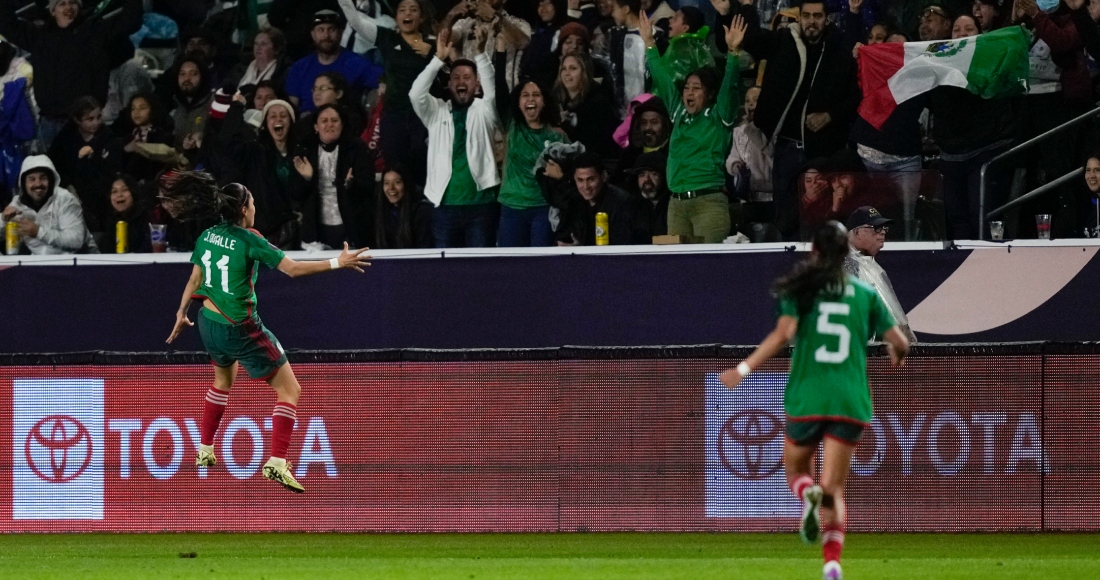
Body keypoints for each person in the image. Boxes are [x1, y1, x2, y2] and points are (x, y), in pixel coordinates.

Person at [720, 220, 910, 580]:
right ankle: (832, 565)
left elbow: (782, 336)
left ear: (814, 252)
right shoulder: (866, 294)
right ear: (844, 254)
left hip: (808, 397)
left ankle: (807, 492)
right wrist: (896, 353)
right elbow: (899, 341)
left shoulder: (801, 292)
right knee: (835, 488)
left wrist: (741, 371)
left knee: (795, 470)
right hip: (849, 401)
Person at [164, 171, 371, 494]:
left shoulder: (207, 235)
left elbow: (195, 279)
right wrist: (337, 262)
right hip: (239, 327)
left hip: (207, 321)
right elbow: (292, 269)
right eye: (253, 202)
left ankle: (205, 448)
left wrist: (181, 313)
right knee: (291, 391)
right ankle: (277, 462)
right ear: (244, 209)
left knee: (222, 381)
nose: (255, 207)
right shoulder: (250, 239)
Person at [739, 0, 860, 241]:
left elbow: (855, 96)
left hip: (823, 151)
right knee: (787, 217)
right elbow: (750, 40)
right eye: (806, 15)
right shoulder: (784, 40)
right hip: (786, 148)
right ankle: (792, 270)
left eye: (817, 16)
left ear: (827, 19)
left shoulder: (839, 50)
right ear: (799, 17)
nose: (811, 21)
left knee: (824, 218)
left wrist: (830, 115)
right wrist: (745, 6)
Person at [643, 12, 743, 243]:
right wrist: (649, 44)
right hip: (676, 205)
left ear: (708, 94)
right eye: (687, 87)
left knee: (708, 272)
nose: (688, 92)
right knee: (678, 272)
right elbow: (663, 80)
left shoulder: (719, 116)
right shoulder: (678, 114)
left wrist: (733, 54)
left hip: (709, 203)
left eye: (696, 88)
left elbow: (730, 86)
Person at [0, 0, 143, 150]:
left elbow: (131, 21)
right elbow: (7, 24)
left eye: (73, 3)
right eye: (62, 4)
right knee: (51, 172)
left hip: (84, 125)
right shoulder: (39, 36)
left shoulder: (95, 31)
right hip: (50, 123)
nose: (68, 7)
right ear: (52, 10)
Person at [411, 28, 501, 248]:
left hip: (481, 205)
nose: (462, 81)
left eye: (468, 77)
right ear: (449, 85)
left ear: (476, 85)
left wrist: (480, 54)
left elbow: (493, 92)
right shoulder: (436, 112)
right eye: (456, 77)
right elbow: (415, 94)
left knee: (480, 271)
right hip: (443, 206)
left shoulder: (486, 111)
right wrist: (438, 59)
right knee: (446, 272)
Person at [338, 0, 437, 177]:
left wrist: (431, 53)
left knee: (423, 170)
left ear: (421, 18)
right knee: (395, 169)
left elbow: (446, 72)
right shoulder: (387, 37)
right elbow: (356, 22)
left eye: (413, 10)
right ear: (396, 17)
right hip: (393, 117)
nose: (407, 14)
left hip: (423, 118)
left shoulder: (432, 44)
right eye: (402, 10)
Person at [289, 104, 376, 248]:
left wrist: (352, 184)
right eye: (324, 121)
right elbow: (294, 193)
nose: (329, 125)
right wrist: (308, 178)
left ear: (342, 125)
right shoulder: (304, 149)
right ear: (316, 127)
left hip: (351, 227)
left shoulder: (356, 148)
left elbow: (369, 186)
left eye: (334, 120)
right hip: (316, 231)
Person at [496, 75, 568, 247]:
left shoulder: (557, 136)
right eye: (525, 95)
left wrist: (560, 176)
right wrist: (500, 48)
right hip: (511, 209)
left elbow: (572, 175)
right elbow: (499, 88)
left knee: (541, 267)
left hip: (543, 209)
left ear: (544, 102)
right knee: (512, 266)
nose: (530, 99)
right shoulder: (512, 126)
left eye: (536, 95)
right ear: (518, 103)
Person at [283, 9, 383, 113]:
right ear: (313, 34)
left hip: (344, 122)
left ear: (340, 33)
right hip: (306, 123)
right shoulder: (299, 68)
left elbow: (386, 82)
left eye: (331, 30)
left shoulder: (356, 63)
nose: (326, 36)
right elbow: (292, 108)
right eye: (321, 30)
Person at [843, 206, 918, 342]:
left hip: (881, 354)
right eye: (876, 228)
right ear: (857, 232)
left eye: (884, 228)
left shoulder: (873, 268)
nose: (883, 232)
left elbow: (896, 317)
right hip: (860, 353)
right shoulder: (844, 265)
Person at [542, 151, 650, 244]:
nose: (586, 187)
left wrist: (581, 250)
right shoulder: (575, 201)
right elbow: (563, 237)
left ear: (603, 176)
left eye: (591, 179)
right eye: (580, 180)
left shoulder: (624, 202)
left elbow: (621, 246)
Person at [2, 155, 93, 254]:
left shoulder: (66, 199)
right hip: (39, 264)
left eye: (43, 178)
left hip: (80, 262)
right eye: (32, 179)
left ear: (51, 180)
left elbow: (76, 241)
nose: (38, 184)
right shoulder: (17, 204)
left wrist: (38, 232)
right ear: (24, 184)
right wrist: (3, 220)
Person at [554, 54, 619, 158]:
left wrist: (564, 127)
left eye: (573, 68)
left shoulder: (598, 103)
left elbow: (591, 145)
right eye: (563, 69)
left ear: (585, 72)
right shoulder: (558, 101)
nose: (566, 73)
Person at [374, 164, 434, 248]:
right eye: (386, 183)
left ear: (406, 184)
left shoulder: (422, 211)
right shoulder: (381, 211)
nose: (391, 188)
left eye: (397, 182)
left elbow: (424, 249)